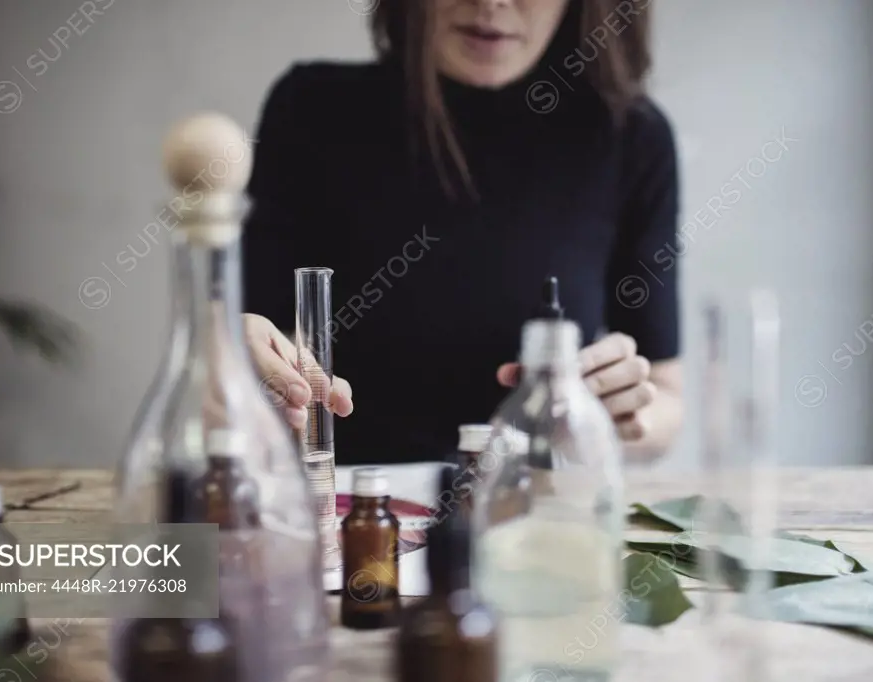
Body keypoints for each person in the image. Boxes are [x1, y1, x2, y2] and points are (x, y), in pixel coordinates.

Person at [241, 0, 683, 466]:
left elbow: (667, 396)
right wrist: (245, 366)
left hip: (530, 519)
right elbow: (262, 343)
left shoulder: (633, 136)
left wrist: (616, 410)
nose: (491, 3)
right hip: (349, 509)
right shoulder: (312, 110)